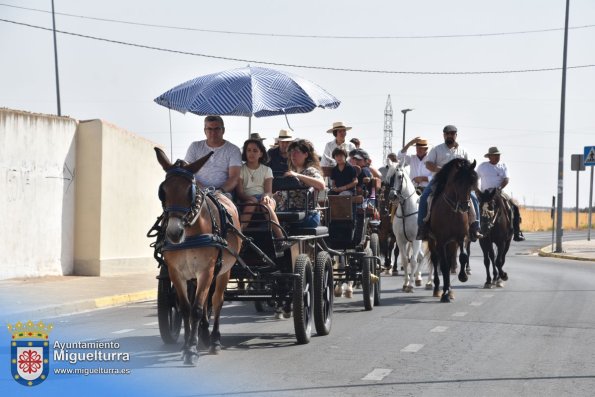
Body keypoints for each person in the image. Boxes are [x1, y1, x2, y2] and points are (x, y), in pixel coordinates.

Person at [416, 125, 482, 241]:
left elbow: (469, 168)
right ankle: (422, 228)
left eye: (452, 134)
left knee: (474, 198)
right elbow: (428, 164)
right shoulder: (437, 149)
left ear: (456, 135)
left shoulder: (463, 151)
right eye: (447, 134)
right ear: (444, 135)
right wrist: (441, 170)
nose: (450, 136)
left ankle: (475, 227)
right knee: (424, 197)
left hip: (459, 183)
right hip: (440, 180)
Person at [236, 139, 286, 242]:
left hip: (264, 197)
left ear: (261, 153)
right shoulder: (240, 169)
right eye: (248, 150)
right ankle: (239, 237)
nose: (251, 153)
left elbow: (268, 191)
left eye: (255, 151)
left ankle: (280, 238)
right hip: (247, 199)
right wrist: (251, 198)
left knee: (265, 205)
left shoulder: (267, 170)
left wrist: (266, 196)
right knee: (250, 204)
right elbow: (240, 193)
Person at [184, 115, 242, 199]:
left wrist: (220, 191)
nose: (213, 132)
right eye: (209, 129)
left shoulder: (233, 149)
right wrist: (201, 189)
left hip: (224, 193)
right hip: (196, 191)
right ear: (205, 131)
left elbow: (234, 177)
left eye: (217, 129)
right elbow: (187, 172)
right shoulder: (195, 146)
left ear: (223, 130)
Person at [477, 146, 525, 241]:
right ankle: (472, 230)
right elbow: (475, 178)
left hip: (498, 192)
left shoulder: (503, 166)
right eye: (495, 155)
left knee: (514, 206)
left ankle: (516, 232)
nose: (497, 157)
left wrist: (499, 188)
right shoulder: (482, 166)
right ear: (489, 156)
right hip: (484, 193)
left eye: (498, 155)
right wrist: (477, 190)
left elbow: (506, 179)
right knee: (473, 206)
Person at [275, 139, 326, 227]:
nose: (292, 155)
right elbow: (279, 195)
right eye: (291, 152)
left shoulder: (310, 171)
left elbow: (321, 185)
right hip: (286, 212)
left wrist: (297, 175)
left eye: (296, 152)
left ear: (306, 154)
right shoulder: (290, 174)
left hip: (306, 214)